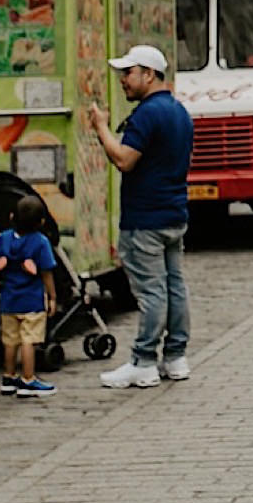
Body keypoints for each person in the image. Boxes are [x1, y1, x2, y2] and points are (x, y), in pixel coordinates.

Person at [87, 44, 195, 389]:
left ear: (149, 75)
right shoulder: (178, 111)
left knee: (152, 292)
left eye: (128, 73)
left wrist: (101, 128)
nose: (123, 81)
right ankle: (175, 357)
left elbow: (124, 159)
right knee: (174, 287)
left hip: (145, 218)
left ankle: (143, 360)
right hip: (173, 213)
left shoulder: (147, 114)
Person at [0, 194, 58, 399]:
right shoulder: (40, 242)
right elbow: (46, 272)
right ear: (42, 222)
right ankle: (28, 379)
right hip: (32, 300)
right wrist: (52, 296)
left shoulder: (4, 238)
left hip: (8, 300)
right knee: (29, 340)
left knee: (10, 341)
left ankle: (8, 377)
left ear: (11, 217)